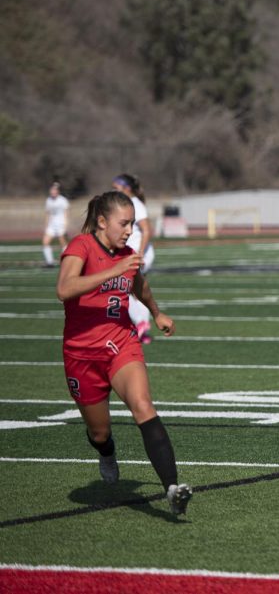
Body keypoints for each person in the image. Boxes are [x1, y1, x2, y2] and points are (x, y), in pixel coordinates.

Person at [56, 190, 192, 515]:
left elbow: (138, 284)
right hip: (81, 354)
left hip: (120, 343)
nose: (130, 230)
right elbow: (64, 288)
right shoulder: (81, 246)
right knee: (99, 432)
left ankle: (172, 488)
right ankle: (106, 452)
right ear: (102, 222)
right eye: (124, 223)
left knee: (143, 406)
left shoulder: (127, 254)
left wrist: (157, 313)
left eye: (132, 223)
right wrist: (113, 271)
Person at [112, 174, 155, 344]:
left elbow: (147, 230)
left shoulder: (136, 204)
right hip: (131, 253)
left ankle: (140, 323)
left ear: (126, 188)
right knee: (136, 291)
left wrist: (141, 252)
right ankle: (143, 330)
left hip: (138, 253)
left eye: (117, 188)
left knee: (122, 288)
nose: (114, 191)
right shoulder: (123, 205)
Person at [42, 181, 70, 267]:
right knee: (45, 242)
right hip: (51, 225)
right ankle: (50, 262)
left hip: (60, 224)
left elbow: (66, 213)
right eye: (51, 190)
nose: (52, 192)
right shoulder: (48, 200)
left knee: (63, 243)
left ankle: (66, 262)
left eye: (54, 190)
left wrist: (65, 225)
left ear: (58, 191)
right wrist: (46, 225)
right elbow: (47, 213)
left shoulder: (63, 200)